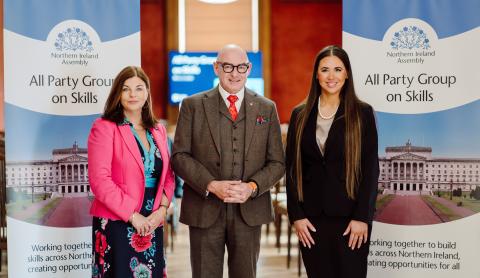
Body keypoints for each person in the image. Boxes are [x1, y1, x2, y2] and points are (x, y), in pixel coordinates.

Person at [172, 44, 285, 278]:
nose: (234, 73)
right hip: (204, 210)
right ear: (216, 68)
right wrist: (211, 185)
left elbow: (277, 163)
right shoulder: (192, 105)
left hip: (249, 210)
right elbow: (179, 157)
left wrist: (251, 188)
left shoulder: (267, 107)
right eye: (227, 66)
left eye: (241, 67)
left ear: (249, 68)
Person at [285, 45, 379, 278]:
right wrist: (297, 215)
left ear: (347, 74)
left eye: (338, 69)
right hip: (311, 221)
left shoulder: (362, 113)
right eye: (325, 69)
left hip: (351, 220)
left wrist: (361, 218)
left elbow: (370, 171)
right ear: (316, 75)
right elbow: (291, 170)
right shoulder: (300, 114)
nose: (331, 76)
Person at [88, 66, 175, 277]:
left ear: (147, 93)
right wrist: (132, 216)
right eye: (126, 89)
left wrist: (162, 210)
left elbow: (169, 175)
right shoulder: (104, 127)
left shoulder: (158, 130)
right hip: (117, 221)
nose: (133, 94)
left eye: (139, 88)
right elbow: (100, 181)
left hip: (153, 219)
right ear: (118, 94)